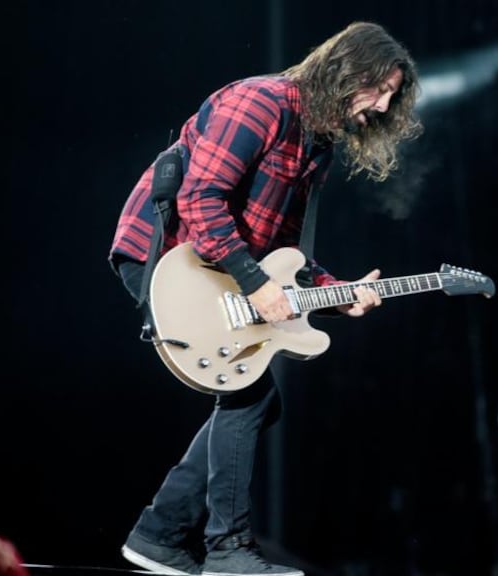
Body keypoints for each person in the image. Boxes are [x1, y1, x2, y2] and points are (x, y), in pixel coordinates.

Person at [108, 21, 422, 576]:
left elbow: (283, 253)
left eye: (393, 95)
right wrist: (255, 285)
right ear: (348, 69)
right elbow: (200, 201)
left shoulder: (316, 146)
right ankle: (224, 550)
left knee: (257, 401)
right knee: (249, 395)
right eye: (380, 88)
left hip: (220, 268)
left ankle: (158, 535)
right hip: (170, 259)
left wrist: (336, 294)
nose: (383, 104)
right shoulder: (262, 102)